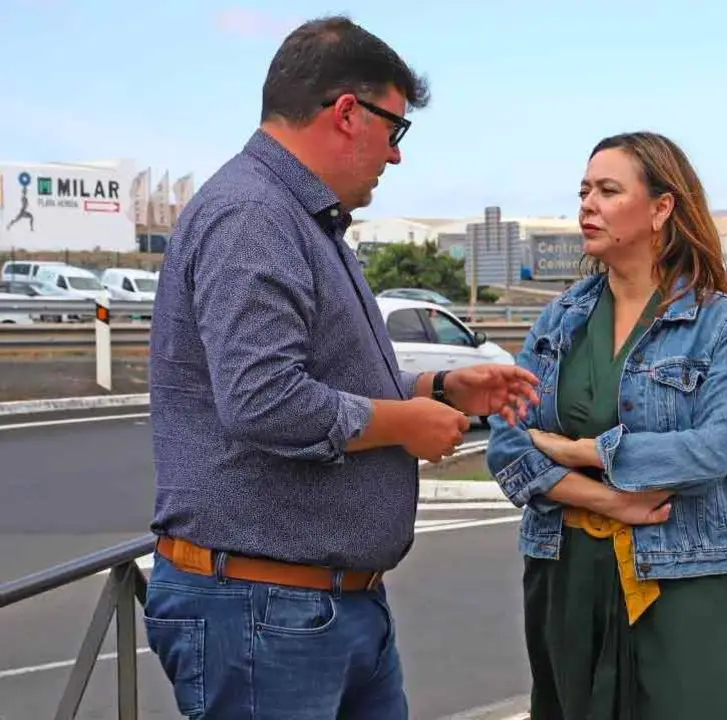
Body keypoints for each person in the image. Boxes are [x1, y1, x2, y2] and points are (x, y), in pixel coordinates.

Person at [144, 16, 539, 720]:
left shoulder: (298, 217)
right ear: (348, 112)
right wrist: (404, 422)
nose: (395, 157)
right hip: (267, 610)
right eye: (396, 131)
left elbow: (315, 380)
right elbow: (262, 401)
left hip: (312, 604)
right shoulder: (253, 216)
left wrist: (439, 388)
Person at [485, 131, 727, 719]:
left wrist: (584, 451)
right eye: (584, 190)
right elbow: (507, 441)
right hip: (566, 573)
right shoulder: (560, 320)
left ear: (662, 208)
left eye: (608, 190)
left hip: (683, 574)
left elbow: (714, 450)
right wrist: (614, 502)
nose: (587, 204)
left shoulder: (722, 323)